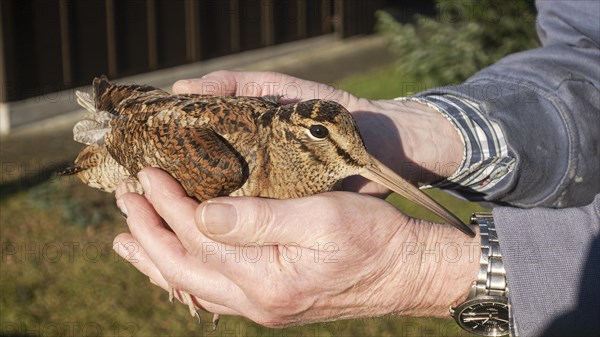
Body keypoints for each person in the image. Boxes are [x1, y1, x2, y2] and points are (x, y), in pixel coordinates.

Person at [112, 1, 599, 336]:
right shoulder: (225, 164)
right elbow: (586, 52)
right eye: (325, 139)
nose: (370, 167)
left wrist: (430, 270)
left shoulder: (305, 159)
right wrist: (419, 130)